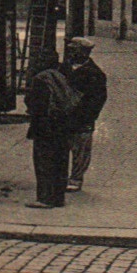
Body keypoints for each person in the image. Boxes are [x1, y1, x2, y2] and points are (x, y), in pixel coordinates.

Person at [25, 60, 79, 208]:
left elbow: (33, 104)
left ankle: (45, 198)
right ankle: (58, 197)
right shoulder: (61, 77)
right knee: (61, 161)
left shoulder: (40, 79)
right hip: (62, 126)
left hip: (45, 127)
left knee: (44, 162)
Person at [61, 37, 108, 192]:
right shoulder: (64, 68)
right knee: (62, 147)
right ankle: (61, 176)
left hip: (82, 118)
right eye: (70, 50)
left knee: (80, 151)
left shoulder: (95, 74)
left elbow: (98, 100)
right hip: (63, 116)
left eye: (74, 50)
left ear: (84, 52)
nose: (71, 53)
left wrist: (87, 117)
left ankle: (76, 178)